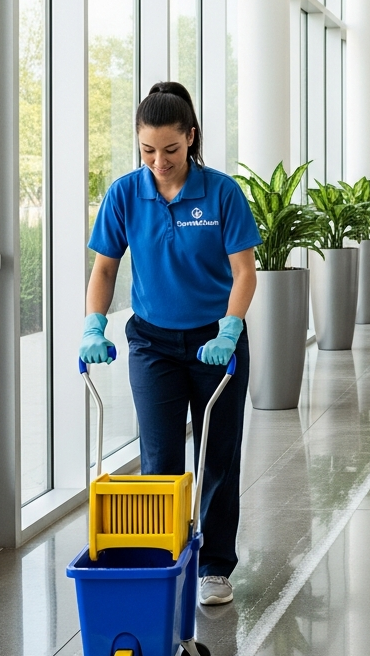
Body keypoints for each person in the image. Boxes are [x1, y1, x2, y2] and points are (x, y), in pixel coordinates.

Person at [79, 82, 261, 606]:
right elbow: (105, 268)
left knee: (217, 456)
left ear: (191, 138)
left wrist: (230, 329)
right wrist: (94, 325)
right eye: (148, 151)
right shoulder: (124, 193)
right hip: (153, 345)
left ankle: (215, 567)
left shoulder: (221, 192)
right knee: (159, 458)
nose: (159, 161)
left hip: (216, 343)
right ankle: (162, 561)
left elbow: (244, 271)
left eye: (171, 150)